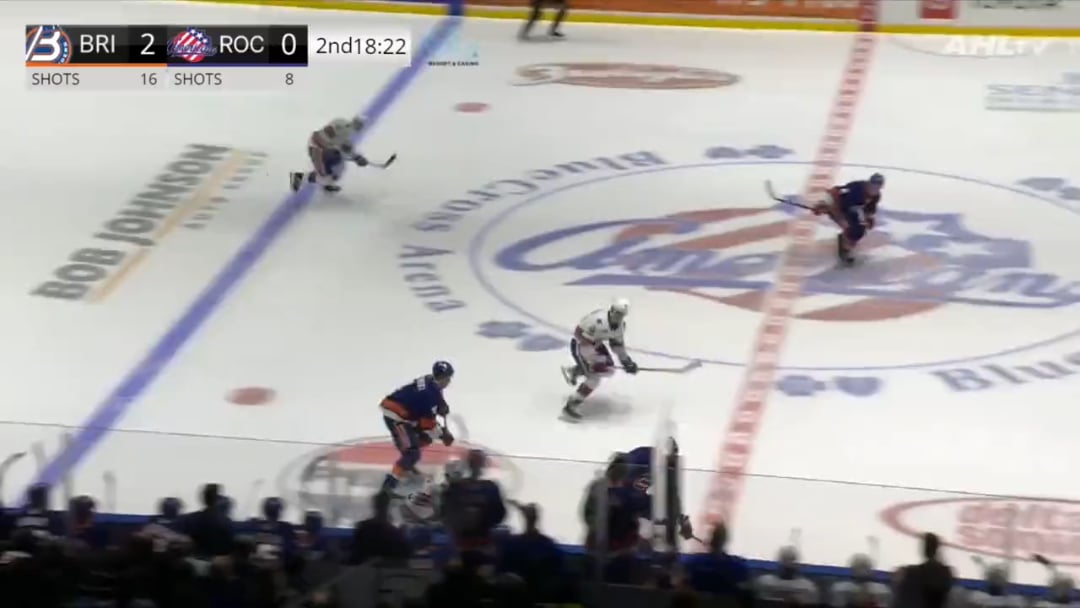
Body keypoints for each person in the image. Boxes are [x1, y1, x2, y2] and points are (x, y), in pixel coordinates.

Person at [380, 361, 456, 494]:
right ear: (443, 378)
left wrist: (441, 405)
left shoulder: (430, 381)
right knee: (412, 453)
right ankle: (389, 486)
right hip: (397, 418)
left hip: (403, 414)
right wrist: (443, 435)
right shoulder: (428, 395)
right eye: (448, 378)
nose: (449, 381)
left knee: (424, 439)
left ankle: (407, 466)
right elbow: (427, 424)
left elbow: (435, 396)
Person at [560, 298, 637, 421]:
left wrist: (626, 362)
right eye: (617, 313)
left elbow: (617, 345)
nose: (618, 317)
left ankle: (576, 371)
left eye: (621, 314)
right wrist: (594, 363)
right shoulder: (597, 319)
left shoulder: (620, 326)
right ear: (611, 310)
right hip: (580, 346)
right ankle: (571, 406)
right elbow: (578, 333)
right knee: (594, 378)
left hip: (595, 346)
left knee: (609, 369)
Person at [814, 172, 884, 265]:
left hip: (851, 212)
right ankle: (844, 249)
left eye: (878, 187)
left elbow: (869, 210)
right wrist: (823, 204)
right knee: (852, 227)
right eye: (873, 185)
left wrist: (869, 218)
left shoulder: (876, 196)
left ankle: (847, 245)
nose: (874, 189)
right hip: (837, 207)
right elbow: (834, 192)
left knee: (859, 229)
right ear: (869, 183)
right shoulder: (856, 188)